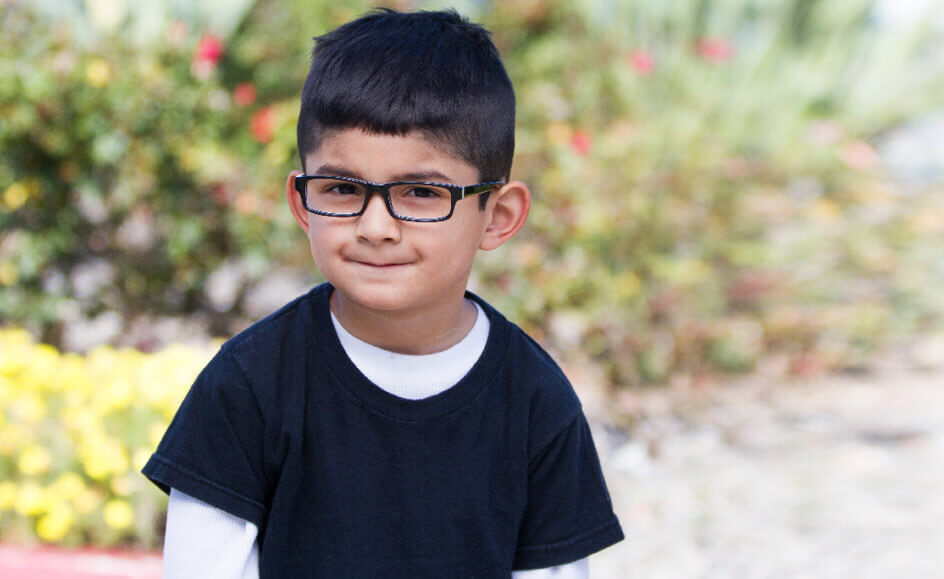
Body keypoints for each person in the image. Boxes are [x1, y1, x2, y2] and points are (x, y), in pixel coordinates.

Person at [141, 9, 623, 577]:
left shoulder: (536, 403)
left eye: (420, 192)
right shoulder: (248, 386)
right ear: (301, 203)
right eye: (342, 188)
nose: (375, 227)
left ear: (497, 216)